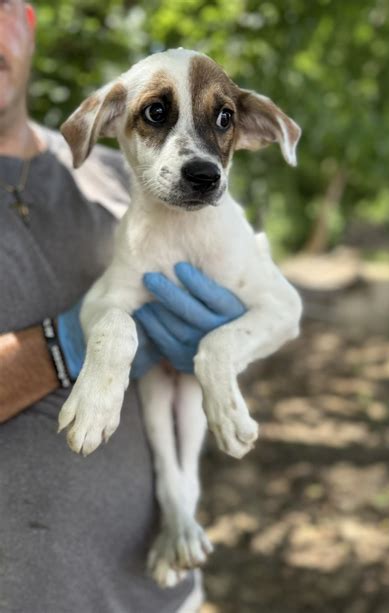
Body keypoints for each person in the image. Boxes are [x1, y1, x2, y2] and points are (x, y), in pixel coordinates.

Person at [0, 1, 245, 611]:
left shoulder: (129, 171)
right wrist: (65, 347)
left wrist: (221, 346)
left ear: (27, 23)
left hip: (160, 590)